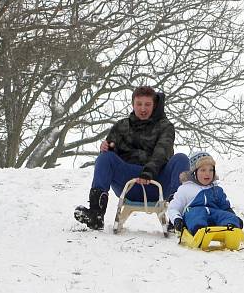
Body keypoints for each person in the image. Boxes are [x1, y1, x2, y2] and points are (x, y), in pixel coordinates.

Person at [74, 86, 189, 230]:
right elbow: (111, 150)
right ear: (133, 104)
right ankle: (96, 214)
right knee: (104, 158)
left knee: (181, 158)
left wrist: (148, 172)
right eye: (139, 104)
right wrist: (107, 147)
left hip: (157, 183)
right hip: (128, 184)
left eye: (147, 104)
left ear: (154, 105)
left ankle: (176, 217)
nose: (143, 109)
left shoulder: (165, 126)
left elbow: (162, 152)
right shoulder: (122, 126)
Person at [167, 151, 242, 236]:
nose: (207, 173)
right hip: (194, 216)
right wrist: (177, 219)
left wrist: (232, 216)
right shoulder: (185, 189)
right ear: (194, 172)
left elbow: (225, 207)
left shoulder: (216, 189)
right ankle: (199, 231)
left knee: (227, 216)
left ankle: (231, 229)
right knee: (195, 213)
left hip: (214, 214)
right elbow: (173, 208)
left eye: (211, 170)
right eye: (203, 170)